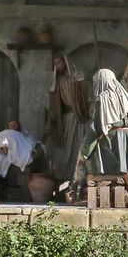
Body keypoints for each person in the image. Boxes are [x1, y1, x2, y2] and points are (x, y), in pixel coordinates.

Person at [85, 67, 128, 188]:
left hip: (112, 137)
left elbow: (95, 127)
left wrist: (84, 151)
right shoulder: (125, 96)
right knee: (125, 166)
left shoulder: (103, 98)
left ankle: (104, 178)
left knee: (90, 165)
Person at [46, 53, 90, 184]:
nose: (58, 67)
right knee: (64, 148)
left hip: (79, 117)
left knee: (78, 146)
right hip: (64, 119)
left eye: (60, 63)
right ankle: (64, 176)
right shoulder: (57, 80)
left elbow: (86, 94)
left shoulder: (77, 77)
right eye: (55, 64)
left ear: (65, 62)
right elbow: (54, 99)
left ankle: (78, 176)